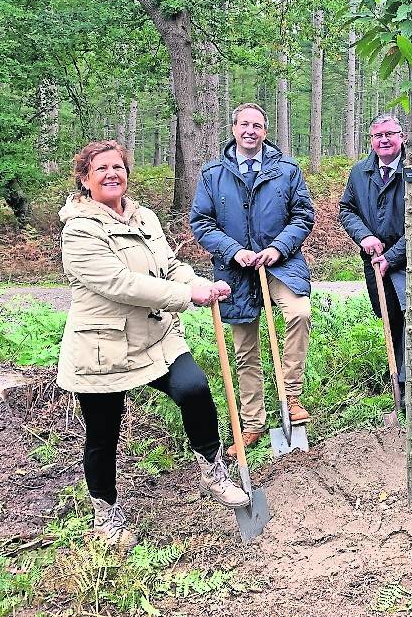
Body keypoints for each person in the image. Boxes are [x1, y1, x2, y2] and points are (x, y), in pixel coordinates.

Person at [58, 140, 252, 551]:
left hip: (155, 337)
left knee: (195, 389)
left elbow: (169, 265)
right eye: (102, 168)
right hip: (103, 349)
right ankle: (106, 512)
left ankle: (212, 470)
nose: (112, 174)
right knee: (103, 433)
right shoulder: (78, 230)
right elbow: (120, 284)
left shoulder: (143, 216)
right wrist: (186, 298)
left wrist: (197, 282)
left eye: (118, 167)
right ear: (85, 178)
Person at [190, 103, 314, 456]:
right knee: (246, 350)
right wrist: (232, 250)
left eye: (257, 125)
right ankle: (253, 424)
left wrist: (277, 247)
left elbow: (303, 215)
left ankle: (291, 398)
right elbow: (201, 222)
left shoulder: (286, 169)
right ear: (234, 128)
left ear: (265, 130)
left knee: (299, 312)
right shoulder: (213, 173)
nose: (250, 131)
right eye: (244, 124)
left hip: (278, 264)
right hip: (235, 272)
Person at [338, 114, 412, 406]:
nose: (384, 140)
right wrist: (364, 237)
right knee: (390, 314)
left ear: (402, 137)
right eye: (377, 136)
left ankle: (407, 386)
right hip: (375, 256)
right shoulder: (360, 172)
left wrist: (393, 256)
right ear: (371, 140)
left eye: (390, 134)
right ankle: (398, 379)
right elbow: (347, 209)